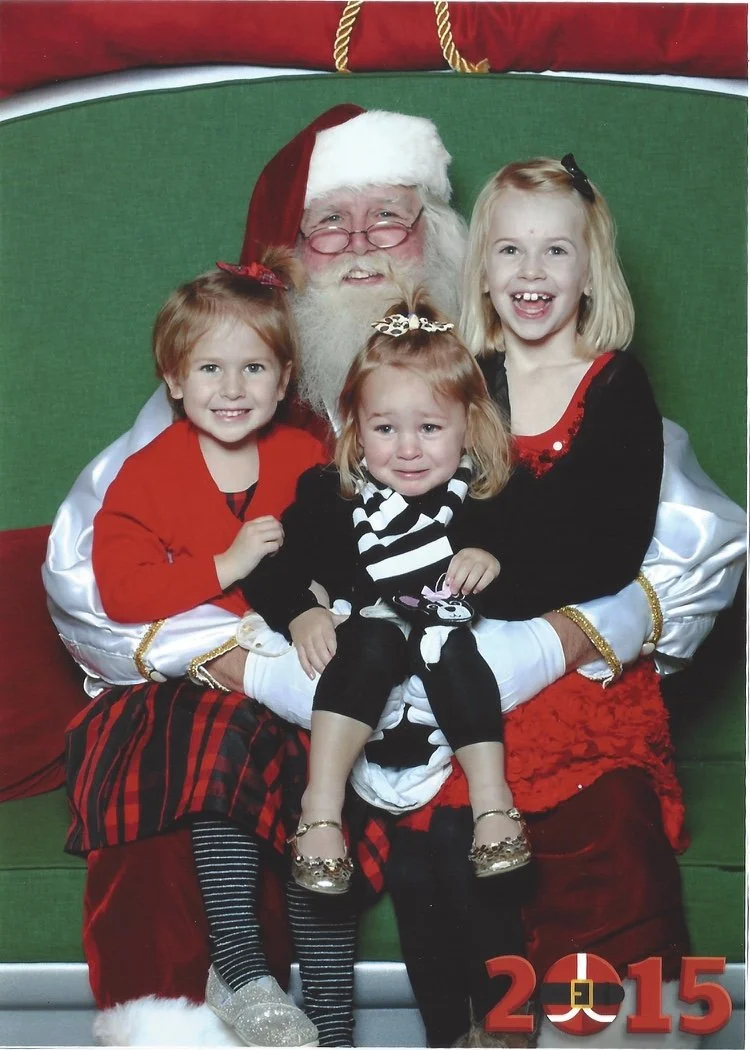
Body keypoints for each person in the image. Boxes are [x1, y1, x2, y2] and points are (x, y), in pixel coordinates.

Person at [43, 105, 746, 1047]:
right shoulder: (235, 375)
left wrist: (560, 638)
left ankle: (583, 1019)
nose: (363, 246)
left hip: (469, 673)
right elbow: (95, 566)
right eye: (331, 223)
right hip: (309, 679)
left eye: (391, 216)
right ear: (289, 256)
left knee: (564, 812)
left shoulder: (495, 372)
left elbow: (654, 528)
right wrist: (256, 658)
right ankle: (185, 1017)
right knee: (188, 776)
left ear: (442, 238)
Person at [67, 253, 329, 1046]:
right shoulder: (145, 476)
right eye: (209, 368)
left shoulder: (302, 458)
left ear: (284, 382)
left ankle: (324, 1008)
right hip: (184, 685)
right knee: (217, 738)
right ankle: (238, 967)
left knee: (309, 761)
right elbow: (120, 591)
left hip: (286, 674)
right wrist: (226, 566)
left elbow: (337, 554)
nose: (232, 388)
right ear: (174, 381)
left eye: (254, 368)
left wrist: (322, 603)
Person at [243, 296, 532, 893]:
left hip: (448, 640)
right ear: (355, 427)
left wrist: (492, 560)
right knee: (371, 639)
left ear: (469, 425)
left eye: (429, 428)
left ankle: (492, 802)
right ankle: (319, 812)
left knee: (448, 647)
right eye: (384, 429)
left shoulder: (487, 498)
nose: (406, 449)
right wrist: (301, 612)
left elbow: (540, 564)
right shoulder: (333, 497)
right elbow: (270, 569)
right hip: (371, 639)